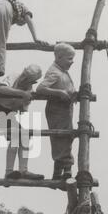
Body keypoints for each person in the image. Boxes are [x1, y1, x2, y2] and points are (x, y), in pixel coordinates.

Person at [0, 0, 48, 91]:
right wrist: (36, 38)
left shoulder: (11, 2)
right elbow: (29, 20)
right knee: (0, 42)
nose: (20, 23)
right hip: (3, 9)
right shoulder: (23, 8)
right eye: (21, 23)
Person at [0, 64, 44, 180]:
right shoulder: (14, 76)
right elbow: (1, 88)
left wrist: (25, 102)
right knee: (16, 136)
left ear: (33, 81)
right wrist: (21, 94)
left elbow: (23, 110)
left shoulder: (28, 89)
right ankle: (8, 172)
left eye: (27, 78)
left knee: (25, 136)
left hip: (10, 114)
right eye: (24, 75)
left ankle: (23, 170)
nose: (23, 79)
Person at [36, 43, 77, 180]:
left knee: (67, 137)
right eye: (69, 58)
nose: (72, 61)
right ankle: (63, 172)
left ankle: (62, 172)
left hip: (65, 110)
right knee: (61, 138)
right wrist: (59, 93)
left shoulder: (62, 71)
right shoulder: (54, 71)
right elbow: (40, 88)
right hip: (56, 109)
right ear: (59, 57)